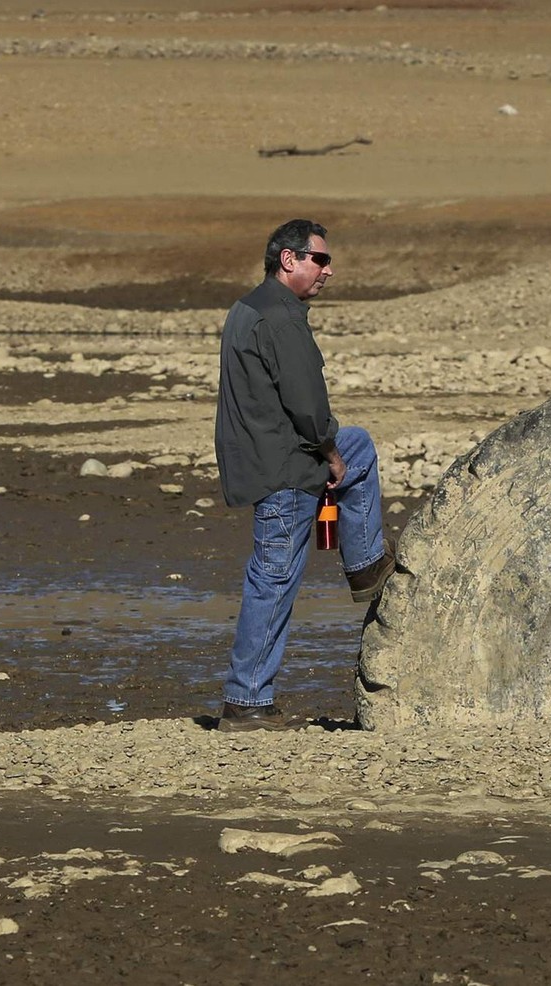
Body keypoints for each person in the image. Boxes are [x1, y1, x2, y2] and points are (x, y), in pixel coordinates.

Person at [213, 219, 395, 732]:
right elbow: (307, 403)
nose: (328, 270)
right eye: (320, 259)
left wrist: (337, 446)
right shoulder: (281, 318)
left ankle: (363, 562)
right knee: (272, 579)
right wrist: (328, 450)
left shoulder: (250, 306)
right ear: (288, 259)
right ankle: (246, 700)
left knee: (358, 443)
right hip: (286, 468)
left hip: (268, 458)